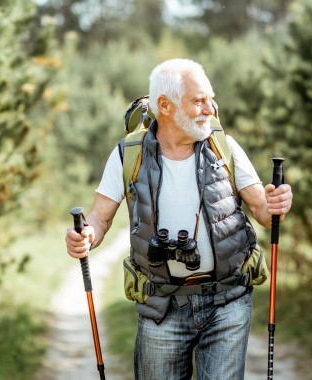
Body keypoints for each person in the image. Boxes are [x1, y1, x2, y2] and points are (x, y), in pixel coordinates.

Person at [65, 58, 293, 380]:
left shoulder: (223, 145)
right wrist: (84, 236)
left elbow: (262, 211)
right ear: (165, 105)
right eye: (199, 101)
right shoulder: (129, 153)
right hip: (162, 305)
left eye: (210, 99)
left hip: (227, 301)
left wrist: (277, 203)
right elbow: (99, 219)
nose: (210, 109)